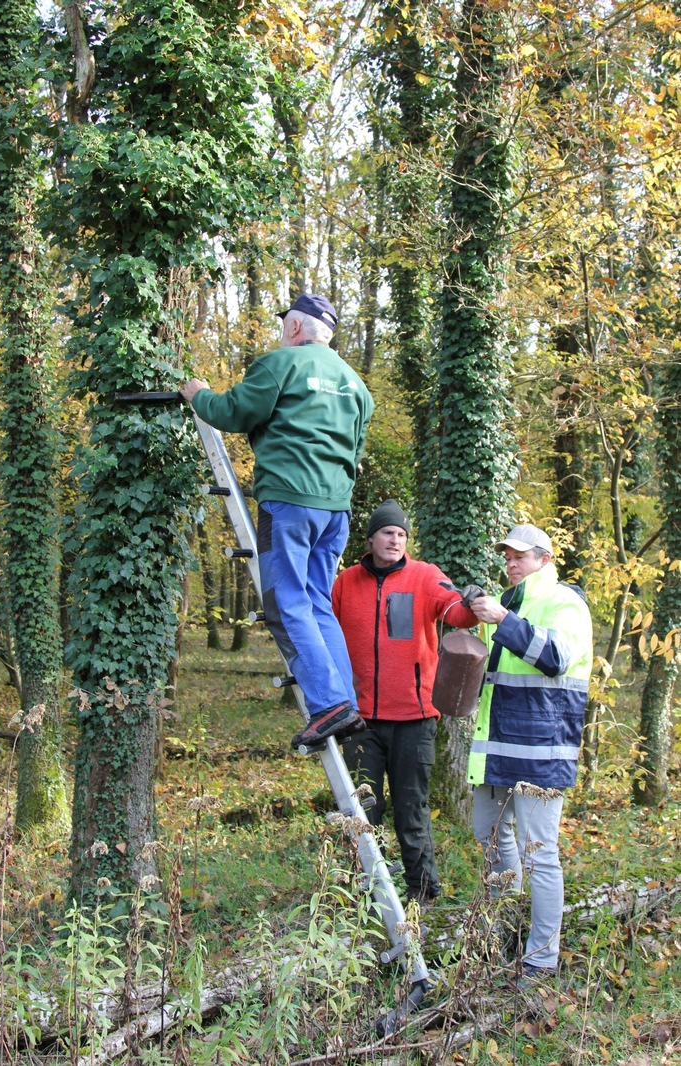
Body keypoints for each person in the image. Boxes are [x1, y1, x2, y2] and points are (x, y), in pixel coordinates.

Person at [180, 294, 374, 750]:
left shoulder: (280, 364)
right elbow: (356, 451)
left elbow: (233, 412)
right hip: (336, 510)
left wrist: (198, 395)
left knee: (286, 602)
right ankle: (344, 700)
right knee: (317, 603)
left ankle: (328, 704)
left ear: (293, 328)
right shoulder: (357, 386)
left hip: (288, 501)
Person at [333, 499, 481, 904]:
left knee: (411, 810)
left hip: (415, 719)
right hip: (359, 720)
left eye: (401, 534)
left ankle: (423, 891)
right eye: (387, 533)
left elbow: (456, 612)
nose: (395, 540)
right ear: (371, 539)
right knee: (364, 811)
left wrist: (470, 603)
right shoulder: (346, 582)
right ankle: (365, 893)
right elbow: (324, 627)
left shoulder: (424, 576)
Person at [466, 523, 593, 983]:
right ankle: (507, 927)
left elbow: (556, 657)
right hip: (497, 748)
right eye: (507, 555)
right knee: (489, 836)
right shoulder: (512, 603)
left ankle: (541, 957)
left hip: (542, 751)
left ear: (544, 558)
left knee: (539, 853)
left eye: (520, 555)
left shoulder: (565, 602)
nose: (510, 562)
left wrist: (502, 620)